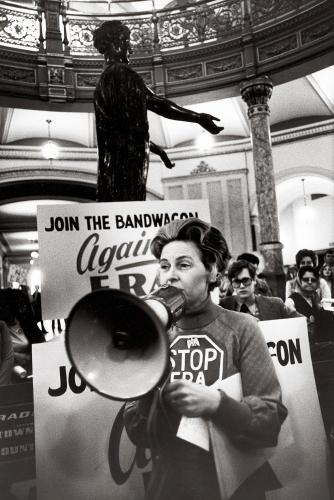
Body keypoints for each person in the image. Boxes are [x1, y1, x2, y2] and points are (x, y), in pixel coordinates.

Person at [124, 218, 287, 500]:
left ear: (212, 271)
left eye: (183, 265)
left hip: (236, 488)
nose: (170, 276)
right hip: (171, 487)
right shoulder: (153, 334)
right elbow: (138, 430)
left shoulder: (242, 327)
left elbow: (269, 421)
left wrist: (216, 404)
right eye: (164, 266)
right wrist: (153, 377)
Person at [93, 21, 223, 202]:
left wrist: (156, 150)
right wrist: (197, 118)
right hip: (125, 169)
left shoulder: (106, 80)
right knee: (129, 210)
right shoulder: (121, 73)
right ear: (115, 43)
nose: (130, 48)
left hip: (115, 169)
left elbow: (123, 130)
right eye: (127, 41)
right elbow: (155, 102)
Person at [220, 260, 299, 321]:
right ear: (231, 284)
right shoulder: (223, 306)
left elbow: (302, 322)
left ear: (254, 280)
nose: (242, 286)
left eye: (245, 280)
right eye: (237, 282)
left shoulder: (276, 305)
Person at [286, 266, 333, 343]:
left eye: (313, 280)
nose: (310, 282)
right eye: (306, 279)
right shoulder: (291, 301)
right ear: (299, 281)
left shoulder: (316, 300)